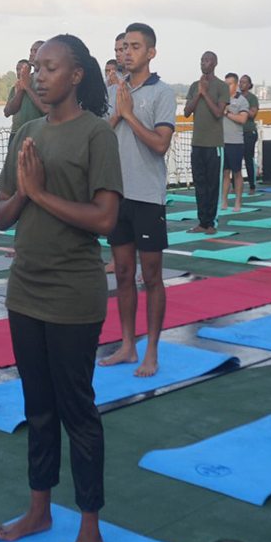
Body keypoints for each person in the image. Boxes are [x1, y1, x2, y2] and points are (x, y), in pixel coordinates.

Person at [0, 35, 123, 542]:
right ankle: (39, 509)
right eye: (35, 68)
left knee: (77, 411)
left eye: (50, 68)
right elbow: (2, 215)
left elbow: (106, 220)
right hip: (25, 290)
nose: (38, 76)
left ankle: (90, 526)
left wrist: (42, 194)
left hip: (73, 294)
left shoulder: (97, 135)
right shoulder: (27, 132)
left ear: (76, 75)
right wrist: (26, 191)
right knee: (37, 408)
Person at [100, 22, 177, 377]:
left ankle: (152, 350)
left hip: (147, 195)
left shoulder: (161, 92)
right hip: (118, 194)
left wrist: (129, 114)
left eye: (134, 46)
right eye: (124, 46)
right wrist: (119, 107)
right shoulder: (112, 90)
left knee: (152, 276)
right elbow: (101, 135)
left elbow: (161, 144)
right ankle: (128, 345)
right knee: (124, 275)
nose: (127, 52)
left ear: (150, 52)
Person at [185, 51, 226, 233]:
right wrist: (199, 93)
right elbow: (187, 111)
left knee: (213, 185)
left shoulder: (221, 86)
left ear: (215, 63)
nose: (203, 63)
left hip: (214, 144)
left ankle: (211, 223)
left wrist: (205, 93)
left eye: (207, 60)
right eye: (202, 60)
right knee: (200, 184)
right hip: (197, 143)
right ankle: (202, 221)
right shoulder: (194, 86)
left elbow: (218, 113)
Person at [221, 72, 250, 212]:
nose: (227, 86)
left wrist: (227, 113)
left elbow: (243, 119)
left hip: (235, 142)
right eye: (225, 84)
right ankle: (224, 201)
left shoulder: (242, 100)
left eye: (229, 84)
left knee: (237, 172)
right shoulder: (221, 99)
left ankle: (237, 202)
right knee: (225, 172)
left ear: (236, 85)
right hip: (222, 141)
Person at [4, 40, 46, 135]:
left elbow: (46, 109)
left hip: (40, 134)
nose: (31, 54)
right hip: (22, 134)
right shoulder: (26, 79)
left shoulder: (47, 79)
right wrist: (21, 89)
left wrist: (27, 88)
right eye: (31, 51)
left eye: (36, 51)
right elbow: (10, 111)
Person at [239, 75, 260, 193]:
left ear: (249, 85)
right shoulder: (235, 97)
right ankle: (235, 186)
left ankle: (252, 186)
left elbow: (253, 114)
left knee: (248, 159)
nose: (241, 84)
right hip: (237, 132)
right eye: (240, 82)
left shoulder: (252, 98)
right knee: (235, 160)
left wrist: (242, 107)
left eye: (244, 82)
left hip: (248, 132)